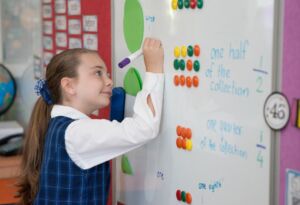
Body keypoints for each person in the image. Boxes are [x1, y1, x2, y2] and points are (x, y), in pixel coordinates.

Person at [17, 38, 164, 205]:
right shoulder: (77, 132)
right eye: (98, 73)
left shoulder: (63, 126)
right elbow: (145, 128)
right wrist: (154, 69)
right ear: (69, 86)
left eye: (107, 74)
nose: (109, 81)